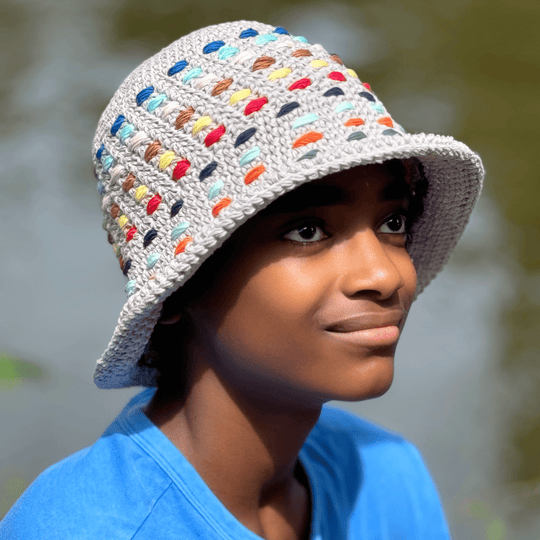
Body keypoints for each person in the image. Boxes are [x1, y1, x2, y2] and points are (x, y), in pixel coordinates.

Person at [0, 20, 484, 539]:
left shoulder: (388, 480)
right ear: (178, 288)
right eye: (306, 230)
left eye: (393, 223)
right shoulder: (78, 529)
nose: (384, 275)